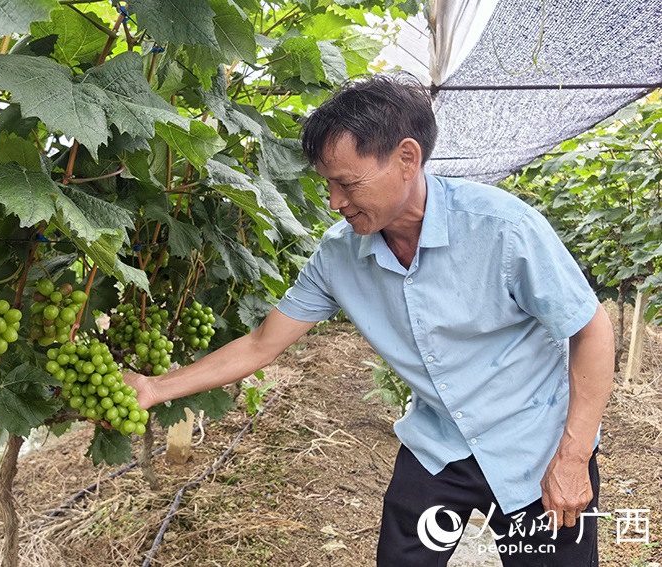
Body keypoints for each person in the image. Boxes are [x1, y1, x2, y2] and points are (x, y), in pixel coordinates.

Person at [125, 73, 614, 566]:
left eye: (348, 183)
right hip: (439, 445)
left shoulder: (504, 229)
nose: (335, 202)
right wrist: (155, 388)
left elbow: (591, 329)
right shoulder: (339, 257)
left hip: (537, 442)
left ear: (407, 158)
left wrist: (572, 457)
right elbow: (260, 344)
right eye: (329, 184)